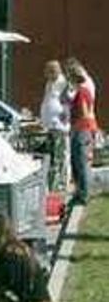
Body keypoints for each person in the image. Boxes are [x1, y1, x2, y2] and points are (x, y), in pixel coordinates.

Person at [65, 57, 98, 207]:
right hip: (81, 129)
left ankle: (84, 195)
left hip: (82, 129)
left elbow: (84, 112)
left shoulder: (83, 92)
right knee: (77, 162)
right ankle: (80, 192)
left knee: (81, 163)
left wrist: (74, 118)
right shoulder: (82, 91)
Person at [39, 58, 69, 191]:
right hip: (49, 126)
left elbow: (68, 102)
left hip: (59, 126)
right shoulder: (49, 83)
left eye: (47, 72)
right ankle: (53, 184)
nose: (45, 74)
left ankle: (60, 185)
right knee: (51, 156)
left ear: (54, 71)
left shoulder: (63, 83)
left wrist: (65, 115)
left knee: (58, 156)